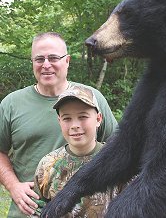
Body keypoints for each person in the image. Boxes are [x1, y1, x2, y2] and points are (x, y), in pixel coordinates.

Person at [0, 32, 118, 218]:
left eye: (53, 57)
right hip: (29, 212)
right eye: (39, 59)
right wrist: (14, 186)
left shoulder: (91, 98)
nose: (46, 64)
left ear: (67, 61)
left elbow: (118, 149)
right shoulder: (11, 104)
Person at [31, 86, 117, 217]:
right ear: (59, 121)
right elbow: (36, 212)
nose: (75, 125)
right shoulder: (48, 165)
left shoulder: (117, 162)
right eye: (67, 118)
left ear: (98, 119)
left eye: (83, 116)